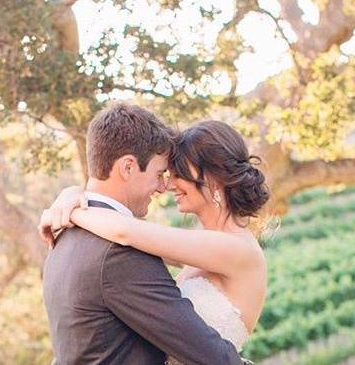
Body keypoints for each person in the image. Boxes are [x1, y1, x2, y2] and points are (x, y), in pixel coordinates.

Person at [41, 103, 252, 365]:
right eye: (159, 172)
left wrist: (72, 203)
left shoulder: (62, 239)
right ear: (128, 167)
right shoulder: (121, 253)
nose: (165, 186)